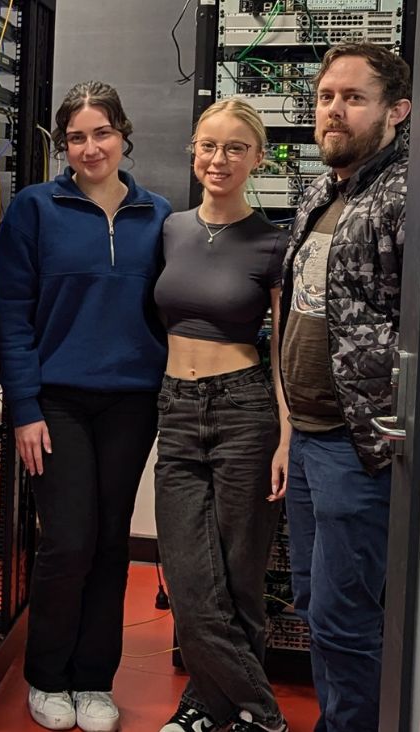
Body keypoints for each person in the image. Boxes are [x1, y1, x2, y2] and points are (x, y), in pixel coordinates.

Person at [0, 80, 171, 732]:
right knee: (68, 542)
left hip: (130, 402)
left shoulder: (159, 215)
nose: (90, 147)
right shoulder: (35, 210)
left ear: (123, 135)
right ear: (62, 145)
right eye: (76, 136)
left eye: (102, 133)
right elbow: (13, 315)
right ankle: (48, 675)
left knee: (109, 544)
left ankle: (95, 680)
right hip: (56, 403)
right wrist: (24, 407)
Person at [277, 42, 411, 732]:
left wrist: (391, 429)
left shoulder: (405, 197)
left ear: (396, 111)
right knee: (312, 603)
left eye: (353, 98)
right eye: (327, 96)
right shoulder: (323, 189)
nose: (333, 110)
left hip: (358, 448)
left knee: (344, 616)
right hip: (307, 435)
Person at [152, 98, 290, 732]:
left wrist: (286, 436)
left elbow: (284, 352)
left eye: (236, 148)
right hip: (177, 410)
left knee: (239, 580)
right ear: (193, 150)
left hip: (245, 412)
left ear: (258, 158)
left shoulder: (272, 243)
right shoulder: (172, 229)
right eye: (209, 145)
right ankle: (261, 716)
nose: (219, 159)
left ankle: (208, 710)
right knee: (188, 578)